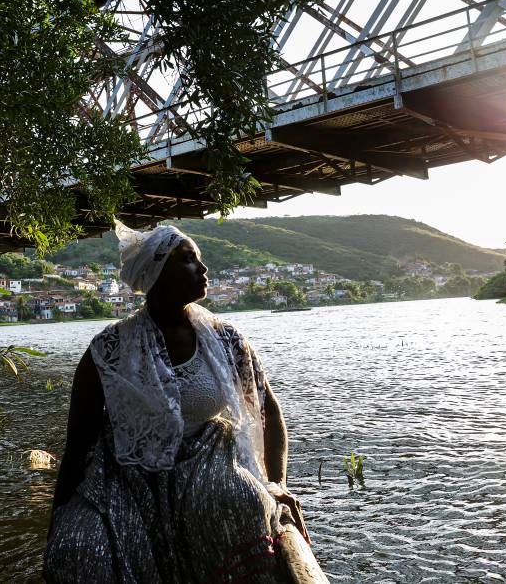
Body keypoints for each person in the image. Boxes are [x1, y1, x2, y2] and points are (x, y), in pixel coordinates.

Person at [44, 221, 324, 584]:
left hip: (209, 457)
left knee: (242, 504)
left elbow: (268, 409)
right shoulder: (108, 349)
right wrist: (59, 516)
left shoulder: (225, 339)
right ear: (156, 272)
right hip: (127, 473)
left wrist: (277, 483)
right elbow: (78, 442)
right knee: (78, 548)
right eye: (189, 260)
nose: (203, 269)